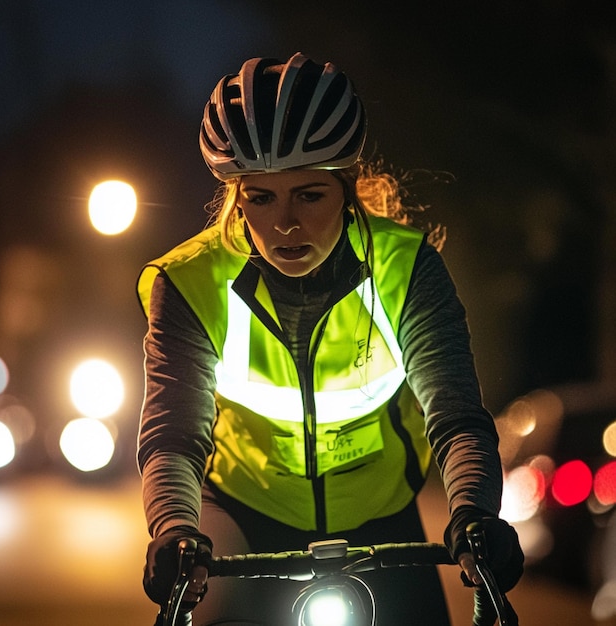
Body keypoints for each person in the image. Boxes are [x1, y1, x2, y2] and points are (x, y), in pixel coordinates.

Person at [137, 52, 524, 626]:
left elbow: (457, 416)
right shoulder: (189, 282)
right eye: (261, 198)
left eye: (309, 195)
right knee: (194, 603)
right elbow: (173, 434)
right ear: (236, 195)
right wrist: (173, 528)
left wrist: (473, 513)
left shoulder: (406, 267)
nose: (285, 224)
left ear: (346, 186)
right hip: (243, 511)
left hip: (381, 515)